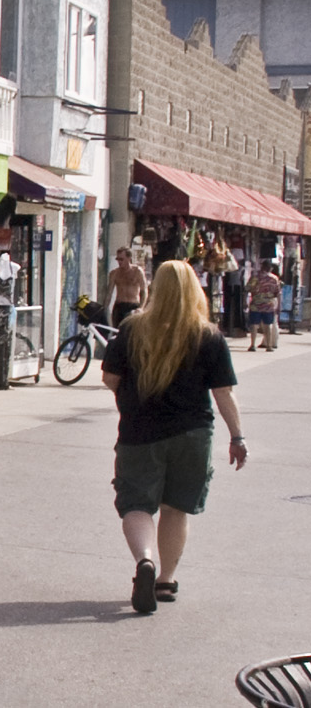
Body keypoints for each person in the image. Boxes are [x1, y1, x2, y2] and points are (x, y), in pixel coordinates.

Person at [99, 260, 247, 614]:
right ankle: (165, 580)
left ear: (155, 288)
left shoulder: (131, 329)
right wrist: (237, 437)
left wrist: (131, 397)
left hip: (139, 431)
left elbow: (110, 378)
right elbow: (223, 392)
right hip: (192, 434)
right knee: (176, 507)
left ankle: (144, 561)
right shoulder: (208, 336)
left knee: (136, 504)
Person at [108, 248, 149, 329]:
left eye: (121, 259)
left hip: (133, 305)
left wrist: (141, 308)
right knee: (117, 331)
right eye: (118, 259)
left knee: (132, 331)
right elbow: (109, 293)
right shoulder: (114, 273)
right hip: (119, 306)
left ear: (129, 258)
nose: (119, 262)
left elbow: (144, 291)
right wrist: (104, 308)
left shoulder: (137, 271)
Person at [245, 260, 282, 352]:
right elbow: (278, 293)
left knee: (254, 325)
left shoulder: (255, 277)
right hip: (268, 305)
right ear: (270, 268)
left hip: (256, 304)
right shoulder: (274, 278)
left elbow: (247, 289)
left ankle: (253, 345)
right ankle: (268, 346)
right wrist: (279, 306)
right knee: (268, 325)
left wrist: (246, 301)